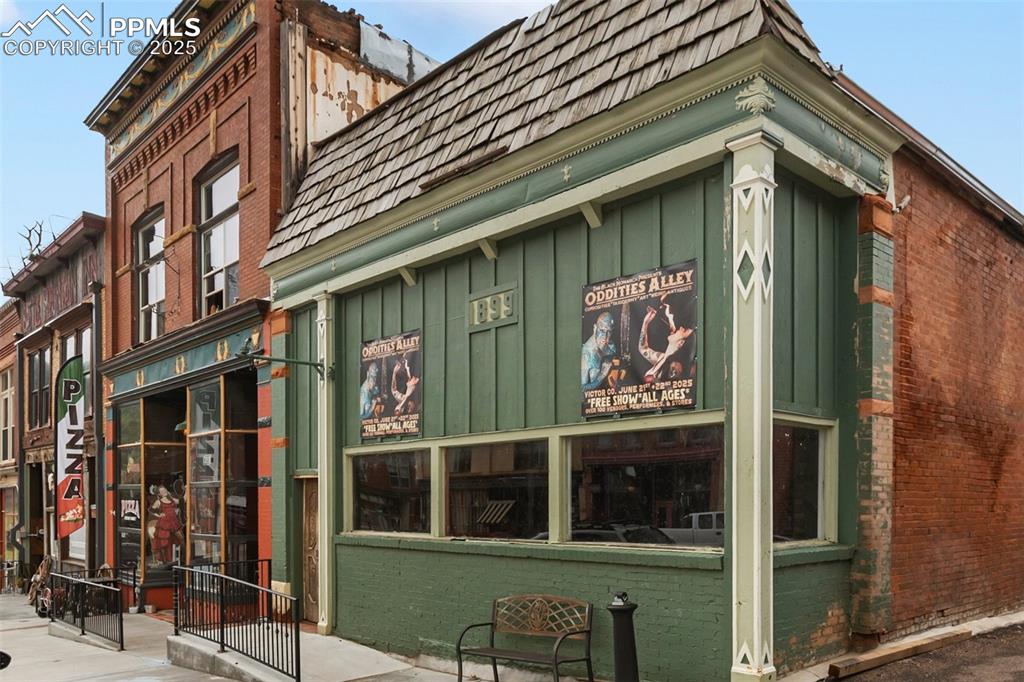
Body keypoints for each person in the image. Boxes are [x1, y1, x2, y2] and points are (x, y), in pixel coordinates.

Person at [639, 303, 693, 382]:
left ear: (681, 343)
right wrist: (645, 323)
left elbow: (669, 389)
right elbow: (643, 348)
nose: (680, 327)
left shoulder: (676, 366)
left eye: (684, 330)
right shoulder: (662, 358)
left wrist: (653, 382)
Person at [581, 311, 618, 391]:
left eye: (609, 332)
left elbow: (612, 352)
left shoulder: (610, 345)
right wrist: (602, 375)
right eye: (602, 331)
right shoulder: (587, 355)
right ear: (595, 328)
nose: (605, 337)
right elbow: (582, 389)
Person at [148, 485, 182, 565]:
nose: (164, 492)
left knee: (176, 539)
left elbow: (181, 502)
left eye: (165, 490)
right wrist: (158, 515)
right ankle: (166, 560)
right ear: (159, 494)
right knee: (165, 541)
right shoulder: (159, 501)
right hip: (164, 523)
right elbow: (151, 509)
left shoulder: (172, 499)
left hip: (174, 522)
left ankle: (174, 559)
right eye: (162, 491)